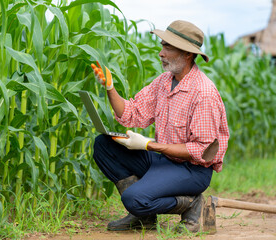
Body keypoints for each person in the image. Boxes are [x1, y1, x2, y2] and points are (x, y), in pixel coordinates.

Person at [90, 20, 229, 232]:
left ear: (187, 54)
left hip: (192, 170)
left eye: (167, 47)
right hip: (165, 161)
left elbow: (202, 152)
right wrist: (110, 87)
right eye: (162, 45)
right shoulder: (164, 82)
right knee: (103, 144)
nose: (161, 53)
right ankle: (145, 218)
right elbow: (132, 114)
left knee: (133, 199)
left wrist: (148, 145)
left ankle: (191, 204)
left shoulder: (204, 94)